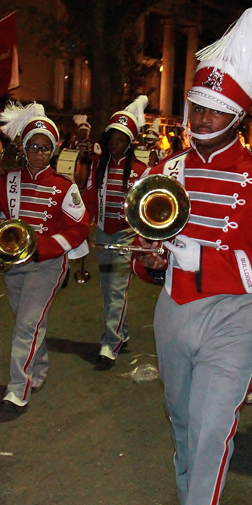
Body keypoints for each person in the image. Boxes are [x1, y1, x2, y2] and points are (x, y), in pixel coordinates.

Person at [129, 8, 252, 505]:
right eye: (197, 107)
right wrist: (151, 260)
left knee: (210, 427)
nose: (202, 117)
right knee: (181, 417)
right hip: (174, 310)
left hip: (235, 317)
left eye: (215, 109)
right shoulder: (166, 170)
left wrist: (202, 260)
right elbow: (146, 257)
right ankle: (192, 501)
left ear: (236, 113)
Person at [0, 103, 90, 413]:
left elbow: (79, 227)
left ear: (52, 152)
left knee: (27, 324)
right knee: (28, 322)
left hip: (47, 265)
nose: (38, 153)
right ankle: (38, 370)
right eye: (33, 147)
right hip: (13, 265)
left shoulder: (64, 187)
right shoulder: (6, 180)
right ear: (24, 149)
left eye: (44, 148)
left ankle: (18, 388)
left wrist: (46, 247)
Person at [81, 95, 149, 370]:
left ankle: (111, 342)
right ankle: (122, 330)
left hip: (124, 237)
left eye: (121, 140)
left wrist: (140, 236)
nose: (115, 144)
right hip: (101, 234)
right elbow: (88, 198)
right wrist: (83, 228)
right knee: (108, 291)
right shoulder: (98, 166)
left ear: (129, 143)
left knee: (117, 290)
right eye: (112, 138)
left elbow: (145, 209)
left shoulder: (141, 171)